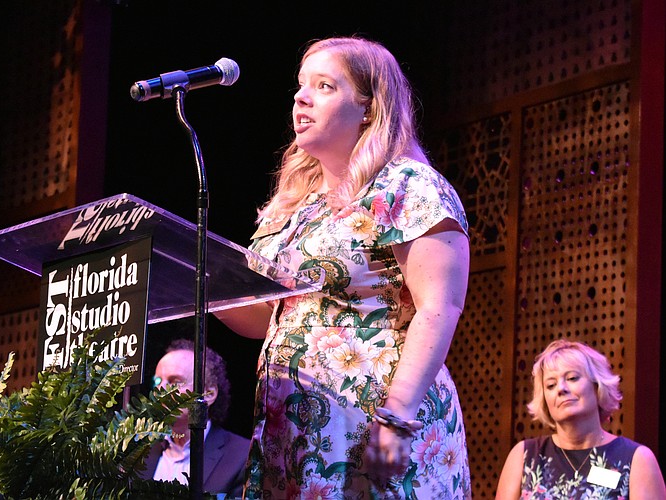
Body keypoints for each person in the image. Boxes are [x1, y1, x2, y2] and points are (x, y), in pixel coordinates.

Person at [215, 36, 472, 498]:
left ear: (369, 108)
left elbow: (440, 306)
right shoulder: (293, 205)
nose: (301, 97)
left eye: (325, 86)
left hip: (376, 427)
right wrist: (203, 287)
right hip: (295, 435)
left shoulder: (407, 185)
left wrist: (396, 416)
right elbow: (267, 317)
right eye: (301, 85)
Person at [496, 339, 666, 499]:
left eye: (572, 378)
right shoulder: (524, 456)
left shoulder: (637, 459)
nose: (561, 389)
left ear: (597, 386)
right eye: (551, 385)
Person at [141, 338, 250, 497]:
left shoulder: (241, 456)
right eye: (157, 381)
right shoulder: (138, 452)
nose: (160, 390)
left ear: (209, 394)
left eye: (175, 382)